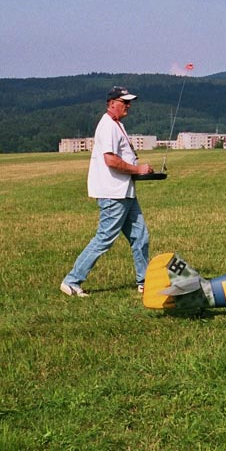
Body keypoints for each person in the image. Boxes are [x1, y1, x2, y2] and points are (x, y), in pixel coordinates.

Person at [60, 86, 156, 297]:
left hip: (125, 192)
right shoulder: (107, 127)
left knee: (140, 236)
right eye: (125, 102)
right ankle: (72, 281)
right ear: (112, 103)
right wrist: (138, 169)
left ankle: (145, 281)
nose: (128, 106)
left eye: (129, 102)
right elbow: (111, 160)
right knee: (104, 238)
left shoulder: (117, 125)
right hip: (113, 193)